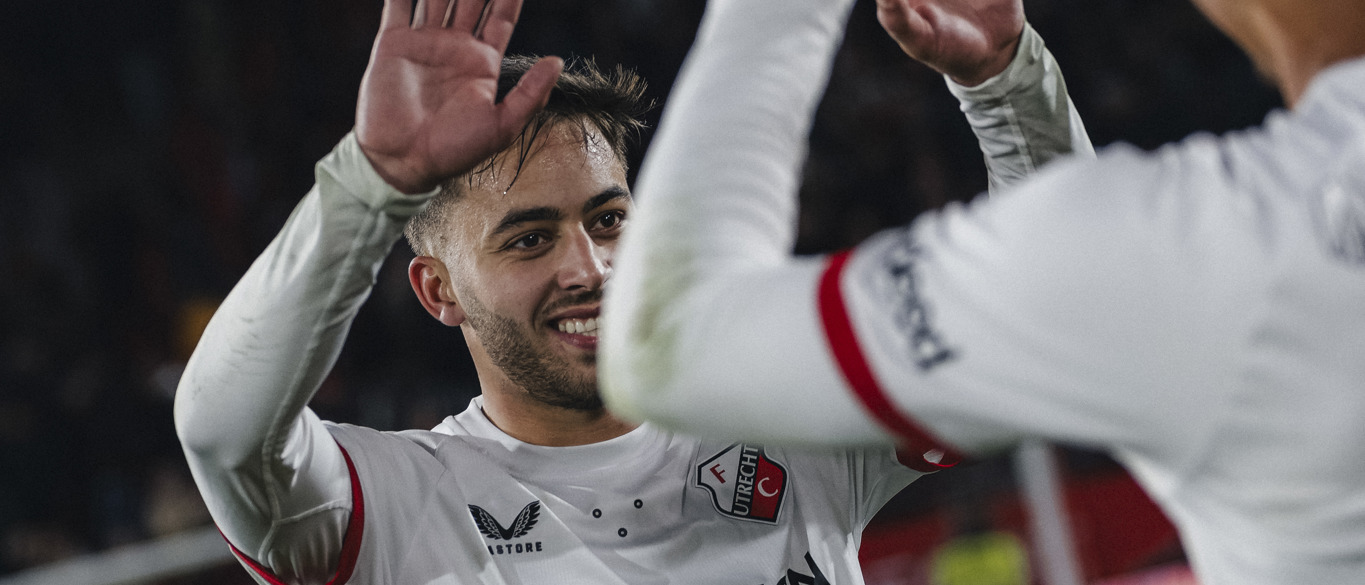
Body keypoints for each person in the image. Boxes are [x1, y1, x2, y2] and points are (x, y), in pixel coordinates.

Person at [174, 0, 1088, 583]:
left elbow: (1053, 313)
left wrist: (1004, 79)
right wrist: (371, 184)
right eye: (529, 238)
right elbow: (222, 427)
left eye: (608, 219)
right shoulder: (394, 505)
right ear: (437, 289)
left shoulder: (781, 415)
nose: (590, 268)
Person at [600, 0, 1365, 584]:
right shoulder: (1211, 236)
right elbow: (1088, 299)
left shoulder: (1210, 236)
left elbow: (672, 342)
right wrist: (1007, 87)